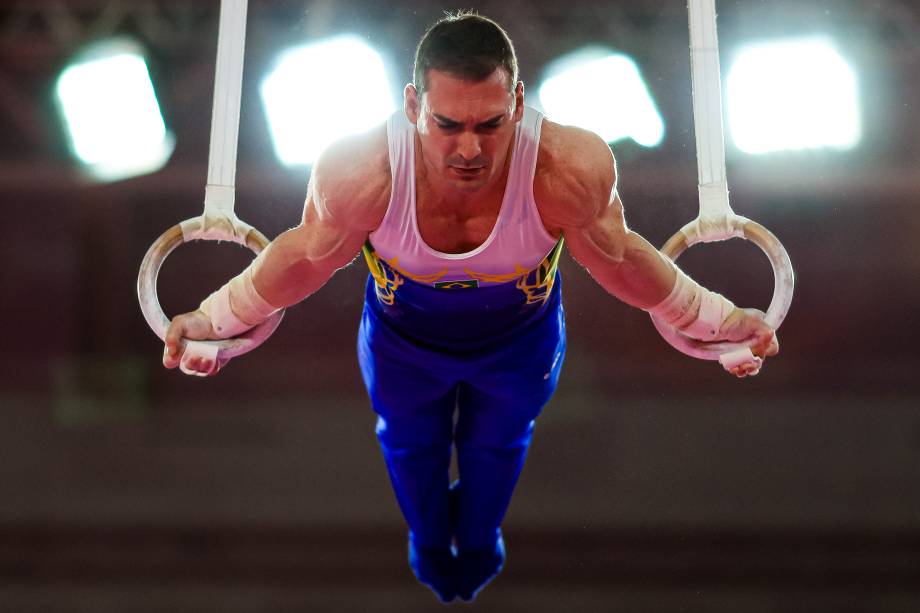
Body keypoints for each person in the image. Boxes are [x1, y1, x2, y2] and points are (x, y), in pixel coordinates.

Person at [161, 12, 778, 603]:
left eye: (490, 125)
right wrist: (211, 322)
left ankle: (478, 540)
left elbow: (623, 264)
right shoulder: (361, 171)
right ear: (411, 106)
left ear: (520, 104)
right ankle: (430, 544)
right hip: (403, 345)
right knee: (408, 444)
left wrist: (723, 323)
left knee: (498, 445)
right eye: (447, 123)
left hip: (520, 343)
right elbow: (301, 261)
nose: (469, 150)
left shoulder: (565, 168)